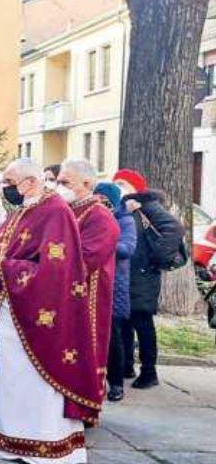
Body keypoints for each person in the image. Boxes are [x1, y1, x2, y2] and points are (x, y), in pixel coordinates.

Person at [0, 158, 102, 464]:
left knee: (27, 378)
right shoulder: (22, 210)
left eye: (10, 182)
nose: (5, 188)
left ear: (30, 181)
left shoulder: (55, 212)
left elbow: (56, 271)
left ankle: (37, 439)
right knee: (7, 378)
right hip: (5, 310)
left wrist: (6, 267)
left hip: (34, 315)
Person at [55, 159, 120, 407]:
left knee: (83, 349)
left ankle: (83, 405)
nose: (59, 187)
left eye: (65, 182)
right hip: (62, 295)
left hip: (87, 296)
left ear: (87, 183)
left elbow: (85, 258)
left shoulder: (100, 217)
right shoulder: (68, 210)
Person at [114, 169, 185, 389]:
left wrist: (156, 257)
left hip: (143, 275)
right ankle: (126, 366)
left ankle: (149, 371)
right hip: (129, 273)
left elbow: (174, 228)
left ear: (136, 188)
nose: (120, 188)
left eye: (124, 184)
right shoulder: (123, 207)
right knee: (124, 322)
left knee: (142, 323)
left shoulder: (148, 205)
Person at [94, 181, 137, 402]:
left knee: (113, 338)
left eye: (104, 200)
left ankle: (117, 383)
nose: (99, 204)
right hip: (92, 283)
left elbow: (127, 248)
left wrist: (103, 242)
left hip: (114, 285)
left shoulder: (125, 220)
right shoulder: (91, 218)